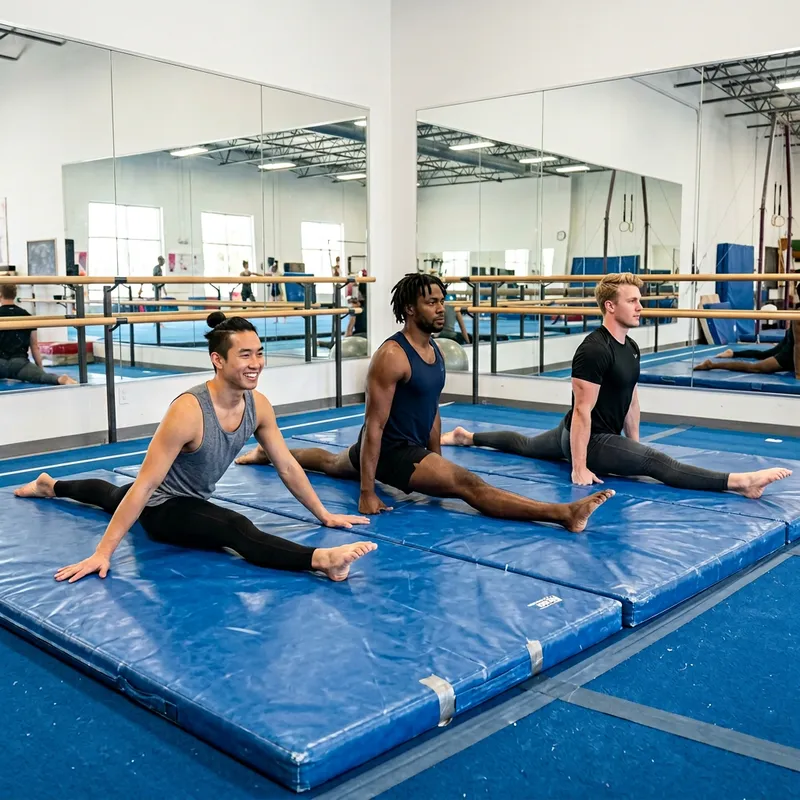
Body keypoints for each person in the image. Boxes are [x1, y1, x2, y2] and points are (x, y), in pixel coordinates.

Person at [15, 311, 376, 584]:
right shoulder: (188, 411)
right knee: (234, 527)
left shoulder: (258, 404)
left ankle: (52, 486)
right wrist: (102, 552)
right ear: (218, 360)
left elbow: (286, 466)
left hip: (188, 497)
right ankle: (323, 561)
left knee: (111, 495)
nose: (256, 364)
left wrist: (323, 515)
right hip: (164, 508)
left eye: (259, 354)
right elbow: (144, 486)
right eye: (245, 356)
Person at [237, 274, 614, 533]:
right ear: (411, 309)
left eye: (442, 301)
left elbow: (433, 408)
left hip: (410, 449)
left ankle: (264, 455)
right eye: (431, 302)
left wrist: (436, 459)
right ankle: (563, 514)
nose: (441, 308)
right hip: (391, 451)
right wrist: (367, 492)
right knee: (469, 484)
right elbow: (373, 426)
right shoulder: (392, 356)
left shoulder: (433, 349)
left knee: (331, 462)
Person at [441, 272, 791, 498]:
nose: (640, 306)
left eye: (639, 300)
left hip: (584, 433)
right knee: (658, 462)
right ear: (610, 306)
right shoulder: (594, 349)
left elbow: (631, 402)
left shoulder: (632, 346)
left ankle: (465, 436)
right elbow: (581, 410)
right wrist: (579, 466)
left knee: (527, 445)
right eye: (633, 300)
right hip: (589, 438)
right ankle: (739, 482)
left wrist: (633, 450)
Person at [0, 285, 77, 386]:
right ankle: (61, 379)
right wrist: (40, 370)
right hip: (20, 364)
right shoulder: (27, 316)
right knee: (41, 377)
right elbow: (34, 346)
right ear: (15, 295)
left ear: (0, 295)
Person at [694, 322, 800, 377]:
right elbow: (797, 347)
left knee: (764, 354)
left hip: (791, 343)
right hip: (789, 355)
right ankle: (712, 364)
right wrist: (798, 374)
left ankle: (732, 353)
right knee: (754, 367)